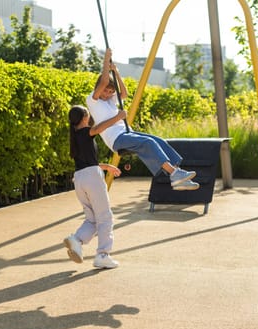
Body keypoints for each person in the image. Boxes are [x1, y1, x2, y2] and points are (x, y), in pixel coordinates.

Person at [86, 48, 200, 191]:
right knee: (148, 143)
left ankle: (178, 176)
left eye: (110, 92)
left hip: (126, 133)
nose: (108, 94)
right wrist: (106, 59)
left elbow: (125, 93)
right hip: (116, 139)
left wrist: (116, 72)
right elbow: (103, 82)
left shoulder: (109, 100)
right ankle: (174, 174)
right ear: (98, 88)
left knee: (159, 141)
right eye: (106, 91)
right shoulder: (93, 100)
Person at [63, 105, 124, 269]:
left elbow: (88, 163)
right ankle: (103, 255)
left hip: (80, 179)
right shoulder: (85, 132)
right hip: (91, 178)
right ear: (84, 118)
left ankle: (76, 240)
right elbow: (98, 128)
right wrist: (119, 117)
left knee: (93, 219)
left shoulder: (75, 137)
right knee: (105, 217)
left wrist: (106, 167)